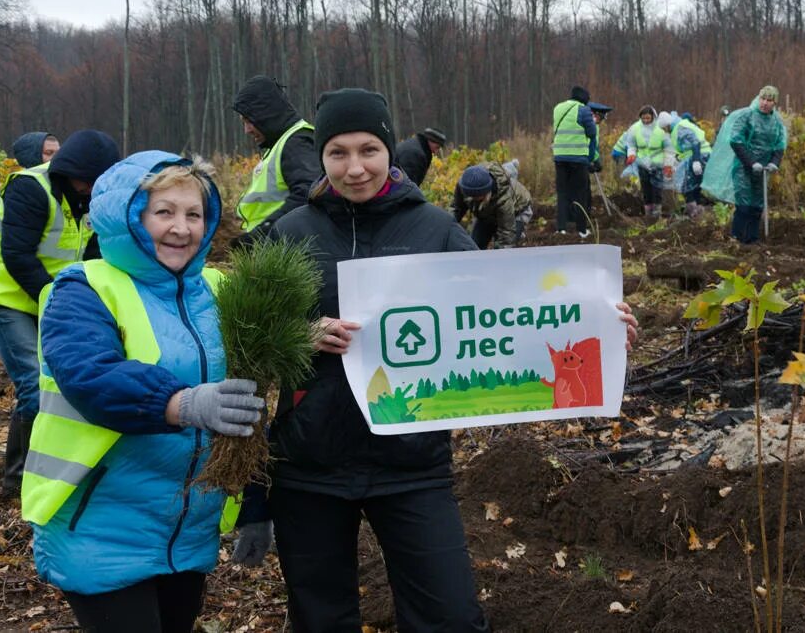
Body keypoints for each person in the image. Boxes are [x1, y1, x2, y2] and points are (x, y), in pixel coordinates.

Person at [243, 88, 638, 632]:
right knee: (319, 616)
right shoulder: (289, 234)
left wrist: (597, 323)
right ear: (322, 156)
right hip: (310, 463)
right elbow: (246, 341)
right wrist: (297, 337)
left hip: (412, 462)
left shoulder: (434, 229)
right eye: (338, 153)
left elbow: (507, 313)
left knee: (449, 615)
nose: (354, 167)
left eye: (368, 150)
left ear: (389, 151)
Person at [23, 151, 263, 633]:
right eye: (164, 212)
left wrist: (256, 506)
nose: (181, 228)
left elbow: (250, 403)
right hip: (99, 523)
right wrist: (182, 404)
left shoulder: (219, 289)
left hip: (187, 528)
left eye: (194, 214)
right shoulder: (84, 288)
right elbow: (91, 376)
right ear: (128, 218)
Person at [0, 130, 119, 498]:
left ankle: (54, 465)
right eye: (88, 180)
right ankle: (17, 481)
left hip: (46, 295)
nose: (91, 188)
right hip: (1, 293)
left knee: (61, 377)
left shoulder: (92, 197)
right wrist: (61, 304)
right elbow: (17, 255)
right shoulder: (31, 188)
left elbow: (94, 253)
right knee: (34, 383)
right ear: (70, 170)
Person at [232, 74, 321, 245]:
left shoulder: (297, 143)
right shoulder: (283, 143)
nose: (247, 130)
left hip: (286, 253)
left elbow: (309, 195)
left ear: (266, 115)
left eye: (249, 121)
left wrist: (261, 234)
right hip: (275, 249)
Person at [728, 86, 788, 244]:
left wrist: (774, 162)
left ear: (774, 103)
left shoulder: (776, 121)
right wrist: (750, 162)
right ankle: (737, 238)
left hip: (763, 169)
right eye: (763, 99)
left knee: (757, 205)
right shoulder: (747, 116)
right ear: (758, 98)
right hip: (743, 167)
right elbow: (736, 140)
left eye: (769, 100)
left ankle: (752, 240)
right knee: (744, 203)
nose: (765, 103)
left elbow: (780, 144)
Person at [451, 162, 533, 249]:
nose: (473, 199)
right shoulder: (464, 184)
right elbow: (456, 209)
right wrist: (447, 226)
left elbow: (507, 235)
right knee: (474, 244)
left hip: (517, 210)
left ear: (486, 192)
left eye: (477, 198)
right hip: (486, 210)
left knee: (501, 248)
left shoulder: (503, 199)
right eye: (470, 197)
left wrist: (499, 257)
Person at [551, 85, 598, 237]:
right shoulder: (584, 110)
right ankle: (582, 230)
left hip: (560, 157)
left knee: (562, 193)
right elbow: (592, 132)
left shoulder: (558, 108)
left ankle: (561, 228)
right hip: (578, 158)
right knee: (580, 194)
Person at [621, 106, 675, 218]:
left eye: (648, 118)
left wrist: (668, 165)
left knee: (657, 190)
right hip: (642, 165)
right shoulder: (635, 128)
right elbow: (631, 144)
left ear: (653, 117)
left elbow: (669, 148)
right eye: (643, 118)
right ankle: (648, 214)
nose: (645, 121)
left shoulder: (660, 129)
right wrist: (631, 154)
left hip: (657, 165)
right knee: (646, 190)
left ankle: (657, 214)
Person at [672, 112, 712, 218]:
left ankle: (694, 212)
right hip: (702, 157)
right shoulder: (692, 127)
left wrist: (696, 160)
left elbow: (695, 143)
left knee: (688, 186)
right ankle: (698, 212)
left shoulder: (682, 128)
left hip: (697, 158)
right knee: (696, 186)